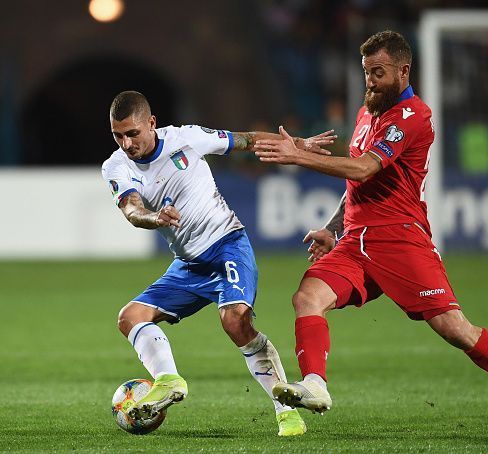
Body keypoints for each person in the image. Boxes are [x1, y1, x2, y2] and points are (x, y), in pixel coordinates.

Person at [254, 31, 488, 432]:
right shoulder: (367, 113)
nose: (370, 81)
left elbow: (366, 168)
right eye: (367, 72)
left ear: (403, 71)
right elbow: (357, 183)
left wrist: (297, 156)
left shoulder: (413, 116)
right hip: (356, 241)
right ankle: (316, 383)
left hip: (401, 240)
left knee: (456, 330)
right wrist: (334, 228)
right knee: (307, 296)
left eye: (379, 73)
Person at [101, 90, 335, 436]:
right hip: (188, 264)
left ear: (151, 123)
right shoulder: (115, 166)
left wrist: (296, 144)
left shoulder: (187, 139)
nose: (126, 142)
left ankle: (286, 413)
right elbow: (132, 209)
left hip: (227, 245)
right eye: (118, 135)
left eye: (133, 133)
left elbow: (247, 140)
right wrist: (154, 218)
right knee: (130, 317)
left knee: (235, 321)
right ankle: (167, 380)